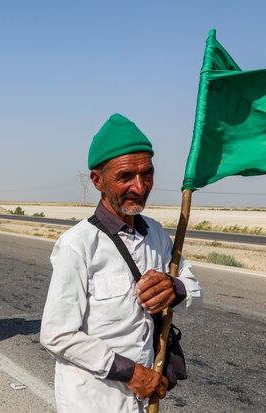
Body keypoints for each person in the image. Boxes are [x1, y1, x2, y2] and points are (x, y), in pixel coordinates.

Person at [40, 114, 203, 413]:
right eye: (125, 176)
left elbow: (193, 293)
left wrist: (174, 289)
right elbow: (56, 334)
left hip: (144, 399)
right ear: (97, 180)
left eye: (147, 174)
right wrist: (132, 373)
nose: (140, 188)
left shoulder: (156, 234)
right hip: (92, 400)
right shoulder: (77, 245)